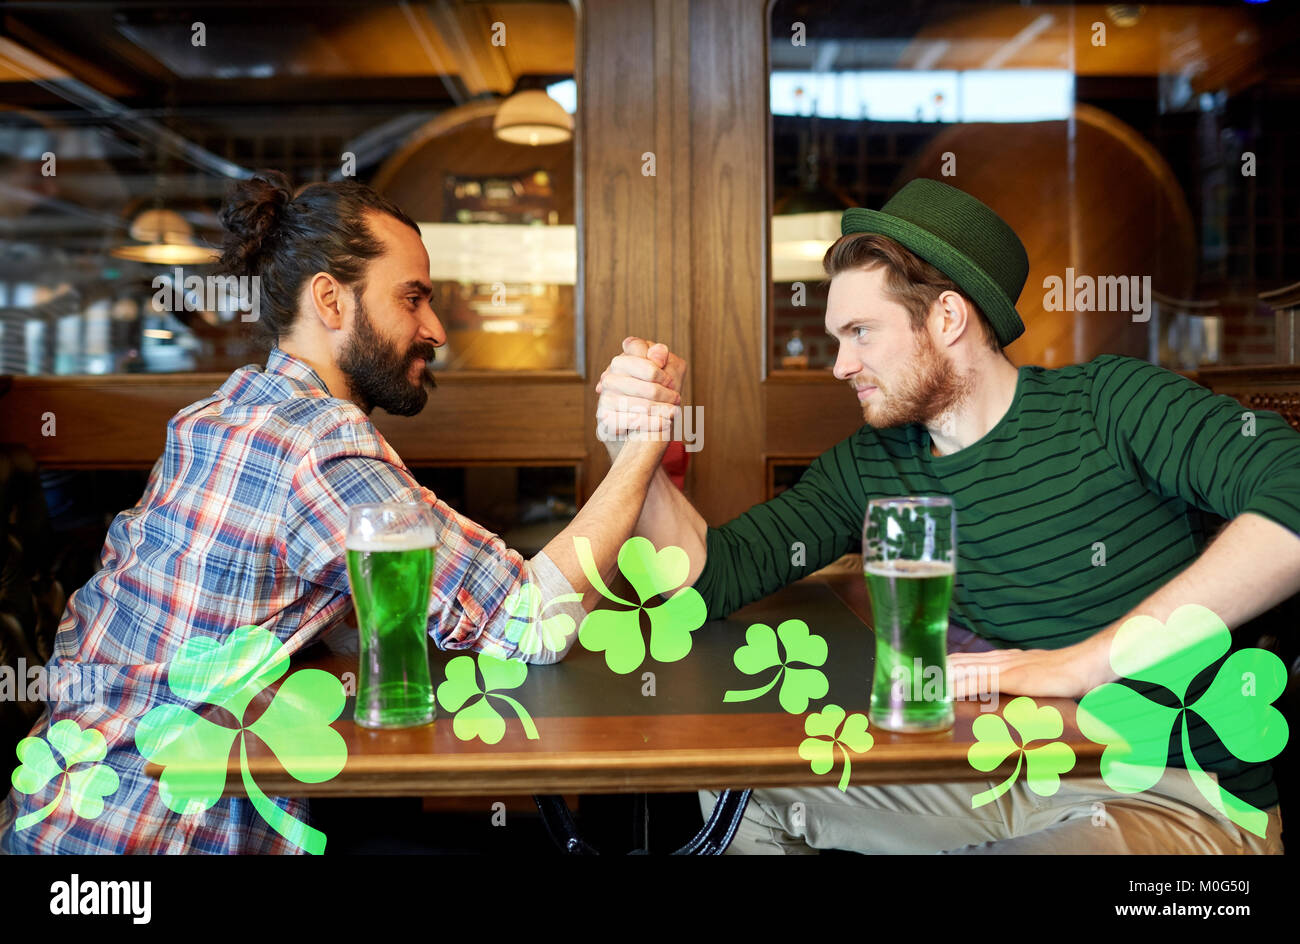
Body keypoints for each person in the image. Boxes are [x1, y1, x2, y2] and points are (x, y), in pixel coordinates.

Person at [595, 177, 1300, 854]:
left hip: (1178, 790)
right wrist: (638, 457)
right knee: (737, 792)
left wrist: (1084, 663)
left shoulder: (1111, 404)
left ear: (949, 317)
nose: (840, 365)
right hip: (1008, 772)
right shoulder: (871, 464)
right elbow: (709, 578)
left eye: (861, 332)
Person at [1, 170, 676, 854]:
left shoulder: (219, 414)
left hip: (54, 819)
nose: (435, 328)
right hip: (149, 841)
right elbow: (531, 623)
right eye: (412, 299)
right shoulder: (318, 443)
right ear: (330, 299)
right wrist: (642, 447)